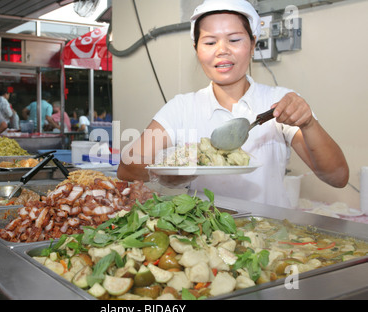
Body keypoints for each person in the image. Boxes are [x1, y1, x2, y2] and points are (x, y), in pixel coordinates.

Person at [117, 0, 349, 208]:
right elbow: (127, 168)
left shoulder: (278, 103)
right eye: (209, 42)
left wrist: (308, 123)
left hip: (269, 237)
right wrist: (168, 175)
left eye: (235, 39)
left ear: (253, 43)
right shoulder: (181, 108)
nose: (222, 50)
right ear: (196, 50)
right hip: (203, 238)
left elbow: (337, 178)